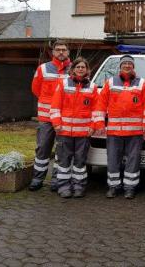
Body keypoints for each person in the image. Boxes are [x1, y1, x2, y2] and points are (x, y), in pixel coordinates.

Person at [93, 54, 145, 199]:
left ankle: (130, 187)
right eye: (124, 63)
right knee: (113, 159)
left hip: (135, 131)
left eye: (129, 64)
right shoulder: (110, 82)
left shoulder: (142, 83)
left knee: (133, 160)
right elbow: (100, 105)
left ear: (133, 67)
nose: (127, 66)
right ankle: (113, 187)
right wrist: (100, 123)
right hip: (114, 131)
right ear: (120, 66)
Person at [50, 57, 99, 198]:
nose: (80, 69)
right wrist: (56, 123)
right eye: (78, 67)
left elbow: (96, 110)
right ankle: (64, 186)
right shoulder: (64, 84)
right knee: (64, 161)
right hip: (64, 131)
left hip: (83, 133)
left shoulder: (92, 87)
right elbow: (55, 106)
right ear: (73, 69)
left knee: (80, 161)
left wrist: (93, 126)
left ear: (87, 70)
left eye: (83, 67)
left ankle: (79, 186)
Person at [29, 40, 71, 191]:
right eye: (58, 49)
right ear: (53, 52)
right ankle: (37, 178)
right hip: (46, 117)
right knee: (42, 147)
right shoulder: (43, 69)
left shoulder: (74, 70)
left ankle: (57, 180)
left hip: (65, 118)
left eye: (64, 50)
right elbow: (35, 89)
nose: (61, 52)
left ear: (68, 52)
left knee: (62, 150)